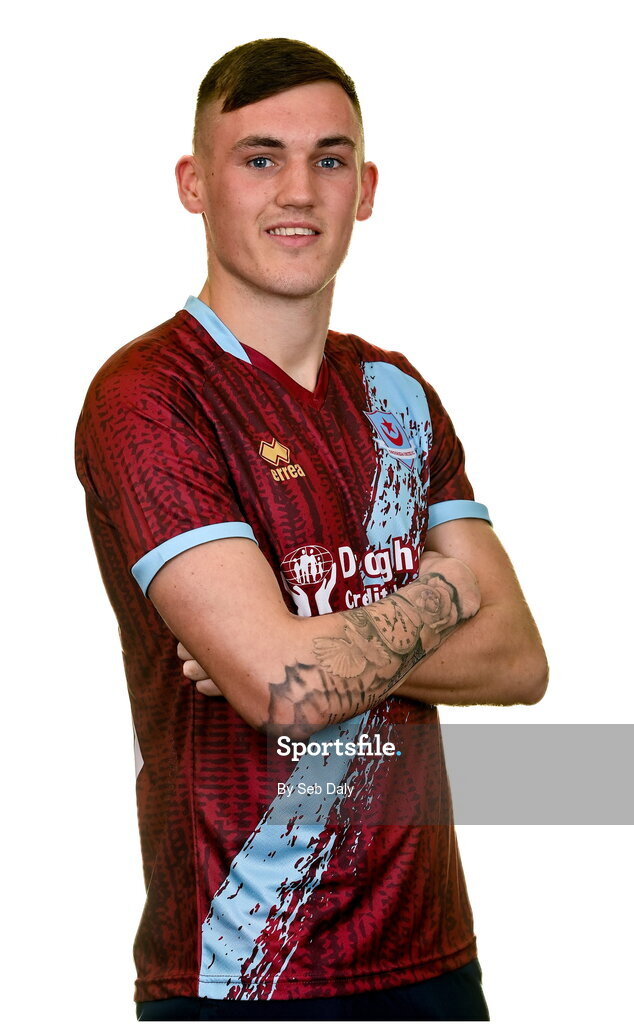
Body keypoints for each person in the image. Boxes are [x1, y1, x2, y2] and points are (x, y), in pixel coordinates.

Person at [75, 37, 548, 1022]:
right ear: (193, 183)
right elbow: (279, 688)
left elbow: (519, 658)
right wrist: (448, 591)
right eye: (259, 157)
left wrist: (310, 643)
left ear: (364, 188)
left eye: (328, 159)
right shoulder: (150, 397)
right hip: (244, 973)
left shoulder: (398, 397)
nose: (298, 189)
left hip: (433, 962)